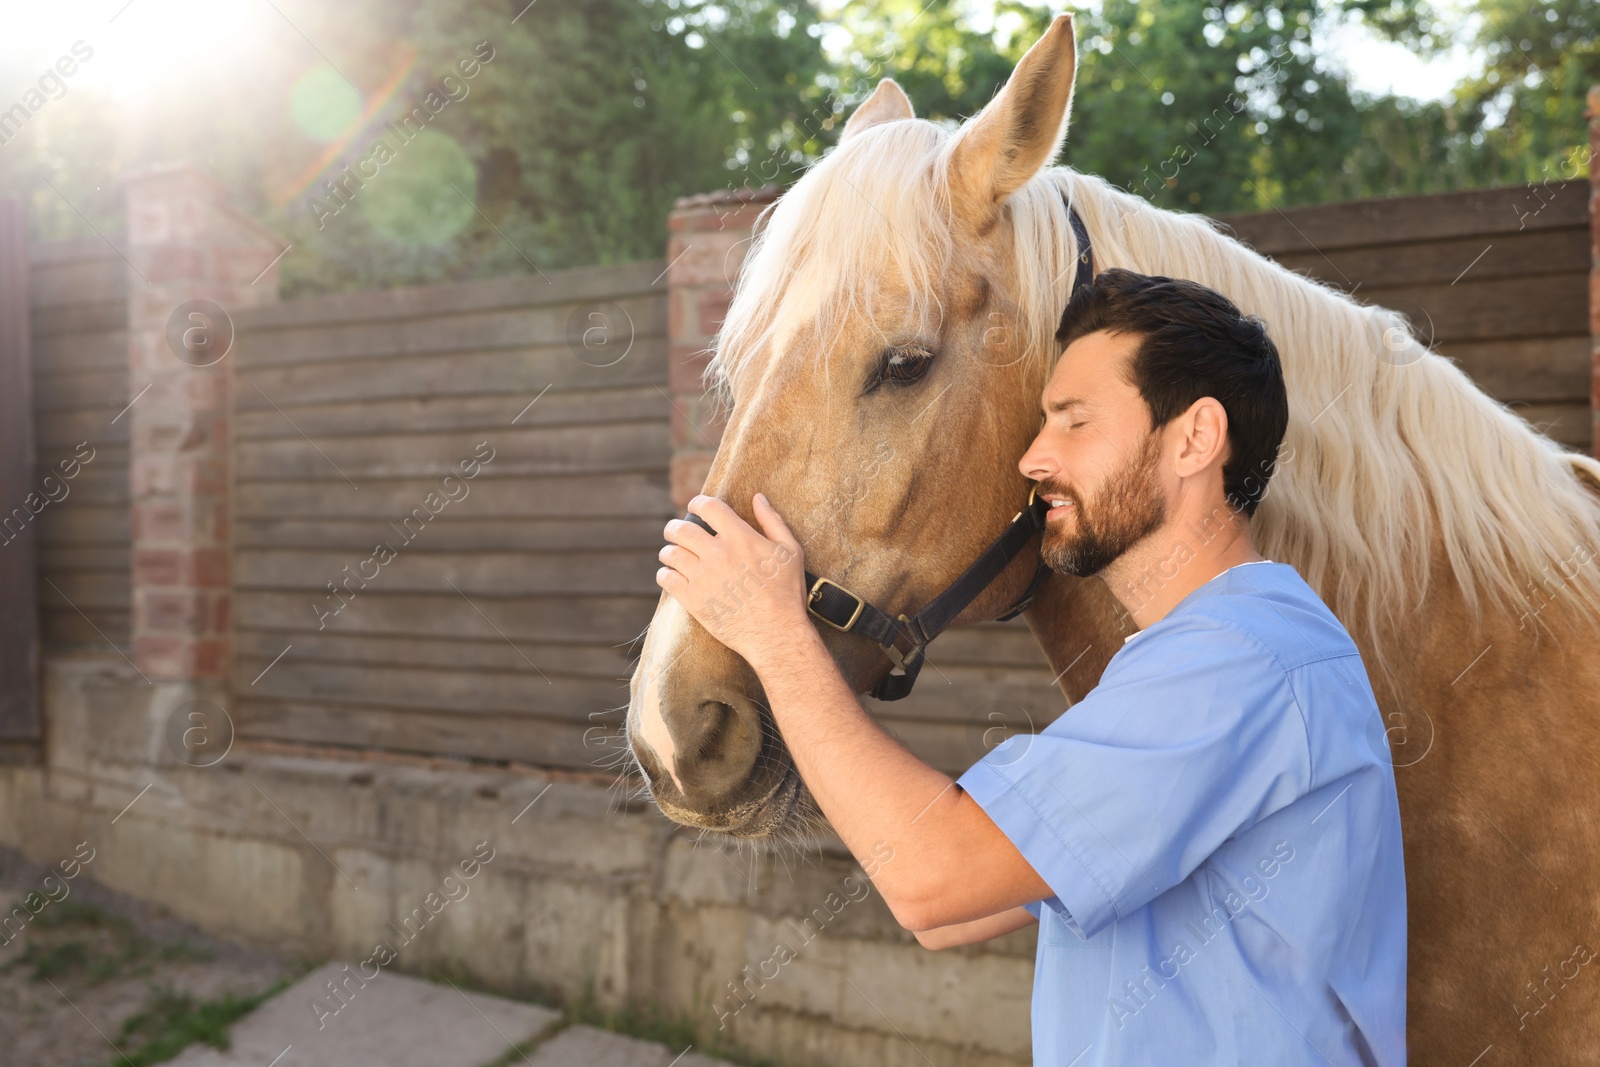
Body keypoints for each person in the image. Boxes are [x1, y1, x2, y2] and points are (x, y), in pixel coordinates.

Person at [656, 268, 1406, 1066]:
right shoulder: (1206, 658)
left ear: (1194, 438)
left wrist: (773, 633)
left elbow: (930, 876)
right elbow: (946, 915)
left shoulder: (1242, 661)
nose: (1035, 456)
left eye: (1074, 422)